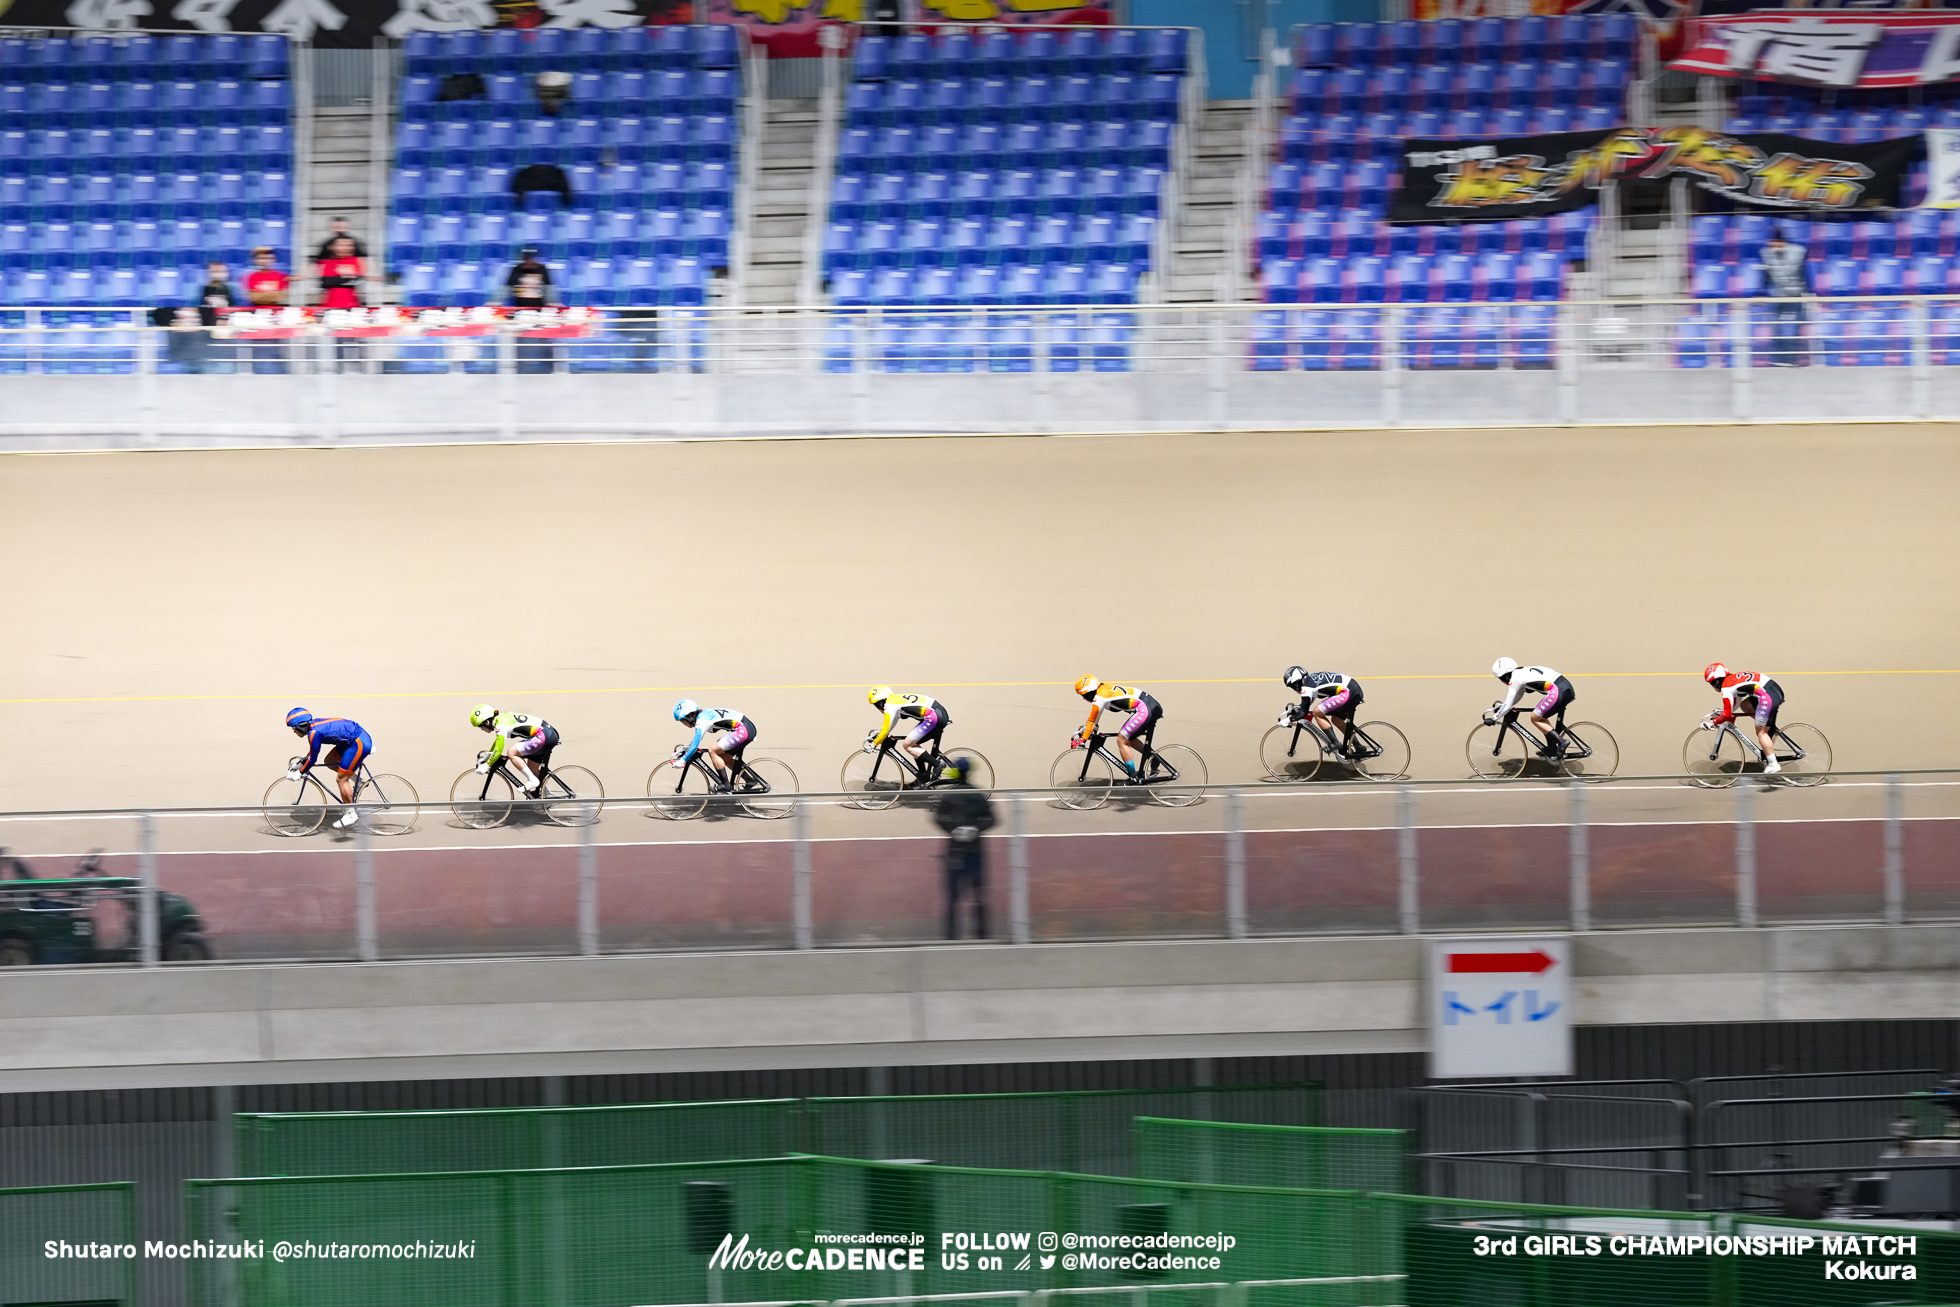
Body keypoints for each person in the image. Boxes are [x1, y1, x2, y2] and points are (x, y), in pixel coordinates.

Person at [932, 756, 994, 941]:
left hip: (955, 853)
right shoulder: (978, 794)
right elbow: (992, 819)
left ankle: (950, 935)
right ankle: (982, 934)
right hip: (976, 851)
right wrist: (975, 829)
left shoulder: (949, 795)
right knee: (979, 895)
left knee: (952, 897)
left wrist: (953, 830)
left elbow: (938, 817)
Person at [284, 708, 373, 829]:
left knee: (341, 779)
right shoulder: (313, 728)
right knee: (329, 761)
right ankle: (359, 781)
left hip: (358, 742)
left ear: (302, 726)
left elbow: (313, 759)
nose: (294, 731)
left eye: (294, 728)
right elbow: (311, 754)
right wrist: (299, 765)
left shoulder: (314, 733)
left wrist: (300, 773)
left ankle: (351, 814)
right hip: (352, 739)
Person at [1701, 663, 1787, 774]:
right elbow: (1734, 706)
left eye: (1711, 683)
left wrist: (1712, 723)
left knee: (1761, 732)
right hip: (1772, 689)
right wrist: (1722, 715)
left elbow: (1727, 713)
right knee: (1745, 706)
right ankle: (1767, 724)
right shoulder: (1732, 680)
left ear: (1716, 682)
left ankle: (1773, 764)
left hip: (1767, 696)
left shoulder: (1726, 687)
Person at [1072, 675, 1162, 776]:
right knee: (1128, 738)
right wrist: (1090, 729)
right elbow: (1095, 720)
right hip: (1149, 705)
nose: (1084, 699)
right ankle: (1153, 758)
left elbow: (1092, 720)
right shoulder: (1103, 690)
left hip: (1145, 708)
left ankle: (1133, 777)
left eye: (1083, 695)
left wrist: (1082, 739)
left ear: (1089, 693)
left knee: (1121, 740)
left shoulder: (1100, 697)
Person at [1487, 658, 1574, 755]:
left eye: (1501, 678)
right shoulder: (1520, 673)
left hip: (1558, 691)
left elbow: (1509, 702)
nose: (1502, 681)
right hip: (1564, 687)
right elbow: (1516, 696)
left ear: (1507, 675)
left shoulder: (1515, 678)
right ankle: (1552, 748)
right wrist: (1503, 707)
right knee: (1541, 718)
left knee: (1536, 718)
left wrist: (1494, 718)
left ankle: (1562, 742)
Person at [469, 704, 559, 796]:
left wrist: (487, 765)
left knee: (511, 752)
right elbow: (497, 743)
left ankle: (532, 780)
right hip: (547, 733)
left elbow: (499, 749)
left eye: (480, 726)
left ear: (487, 721)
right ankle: (547, 794)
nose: (481, 729)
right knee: (532, 769)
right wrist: (489, 756)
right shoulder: (500, 718)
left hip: (543, 735)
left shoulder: (500, 725)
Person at [1281, 665, 1363, 755]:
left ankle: (1335, 743)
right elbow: (1307, 703)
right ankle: (1359, 747)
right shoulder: (1310, 680)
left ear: (1297, 682)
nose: (1294, 689)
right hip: (1353, 689)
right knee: (1337, 720)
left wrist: (1288, 720)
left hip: (1347, 692)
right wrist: (1299, 708)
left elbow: (1303, 713)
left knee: (1317, 712)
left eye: (1293, 686)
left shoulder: (1306, 688)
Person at [671, 699, 756, 787]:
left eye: (682, 721)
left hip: (743, 730)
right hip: (745, 728)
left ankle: (726, 785)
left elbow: (696, 743)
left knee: (713, 750)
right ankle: (750, 780)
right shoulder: (703, 715)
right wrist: (688, 749)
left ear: (689, 716)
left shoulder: (702, 721)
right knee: (724, 757)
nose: (683, 724)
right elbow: (695, 742)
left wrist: (683, 760)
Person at [866, 686, 950, 772]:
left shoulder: (890, 706)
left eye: (876, 705)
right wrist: (880, 735)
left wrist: (873, 744)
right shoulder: (895, 700)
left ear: (880, 702)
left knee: (907, 745)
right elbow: (890, 725)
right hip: (937, 712)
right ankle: (923, 776)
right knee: (913, 743)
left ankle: (938, 765)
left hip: (934, 717)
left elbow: (885, 730)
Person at [1758, 230, 1809, 367]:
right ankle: (1777, 359)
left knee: (1794, 328)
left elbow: (1805, 273)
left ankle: (1791, 359)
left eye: (1777, 244)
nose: (1774, 247)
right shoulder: (1766, 253)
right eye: (1772, 244)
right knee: (1775, 327)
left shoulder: (1799, 252)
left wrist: (1808, 292)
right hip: (1777, 296)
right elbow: (1765, 275)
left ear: (1783, 242)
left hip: (1795, 296)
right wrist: (1762, 292)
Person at [318, 235, 365, 309]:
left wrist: (338, 279)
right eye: (341, 245)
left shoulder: (356, 260)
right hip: (330, 304)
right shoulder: (326, 262)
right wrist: (347, 278)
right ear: (332, 247)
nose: (345, 248)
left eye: (349, 245)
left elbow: (358, 280)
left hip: (353, 304)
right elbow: (326, 281)